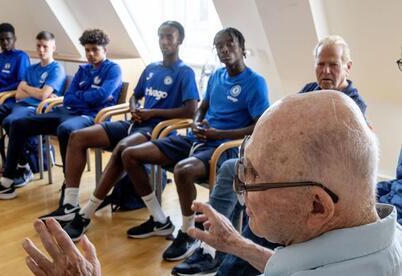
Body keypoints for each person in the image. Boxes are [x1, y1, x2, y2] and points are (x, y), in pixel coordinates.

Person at [24, 91, 402, 276]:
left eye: (253, 178)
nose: (239, 189)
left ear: (317, 205)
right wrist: (237, 244)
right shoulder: (383, 235)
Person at [172, 34, 370, 276]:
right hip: (280, 166)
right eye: (320, 64)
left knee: (260, 192)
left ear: (347, 67)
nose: (325, 70)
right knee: (231, 169)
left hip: (299, 182)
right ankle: (212, 244)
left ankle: (228, 256)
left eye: (333, 64)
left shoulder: (351, 108)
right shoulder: (309, 90)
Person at [39, 21, 200, 238]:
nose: (164, 41)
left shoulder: (185, 72)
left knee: (122, 150)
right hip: (136, 123)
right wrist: (134, 107)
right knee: (77, 137)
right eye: (161, 36)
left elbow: (191, 110)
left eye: (169, 37)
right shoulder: (152, 68)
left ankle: (85, 215)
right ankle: (69, 206)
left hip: (157, 129)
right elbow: (136, 94)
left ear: (179, 40)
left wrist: (152, 114)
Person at [121, 27, 269, 262]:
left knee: (183, 170)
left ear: (242, 47)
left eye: (229, 44)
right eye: (219, 46)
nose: (224, 49)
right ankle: (159, 219)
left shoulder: (255, 82)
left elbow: (258, 126)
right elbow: (201, 109)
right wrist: (197, 125)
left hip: (225, 145)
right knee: (130, 155)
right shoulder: (216, 77)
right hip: (199, 138)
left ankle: (189, 232)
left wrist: (216, 133)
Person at [0, 29, 122, 195]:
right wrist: (85, 97)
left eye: (95, 50)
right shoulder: (83, 70)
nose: (90, 54)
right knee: (18, 124)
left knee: (66, 129)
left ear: (105, 50)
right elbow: (69, 97)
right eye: (87, 50)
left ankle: (69, 186)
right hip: (67, 110)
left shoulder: (113, 69)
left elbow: (101, 95)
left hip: (93, 116)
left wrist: (81, 96)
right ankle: (6, 182)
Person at [0, 31, 66, 199]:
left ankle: (9, 179)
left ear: (53, 47)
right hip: (17, 104)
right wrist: (35, 91)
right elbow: (19, 94)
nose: (41, 50)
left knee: (10, 122)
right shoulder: (31, 68)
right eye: (38, 46)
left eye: (45, 46)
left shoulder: (57, 68)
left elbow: (42, 96)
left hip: (35, 109)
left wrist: (28, 88)